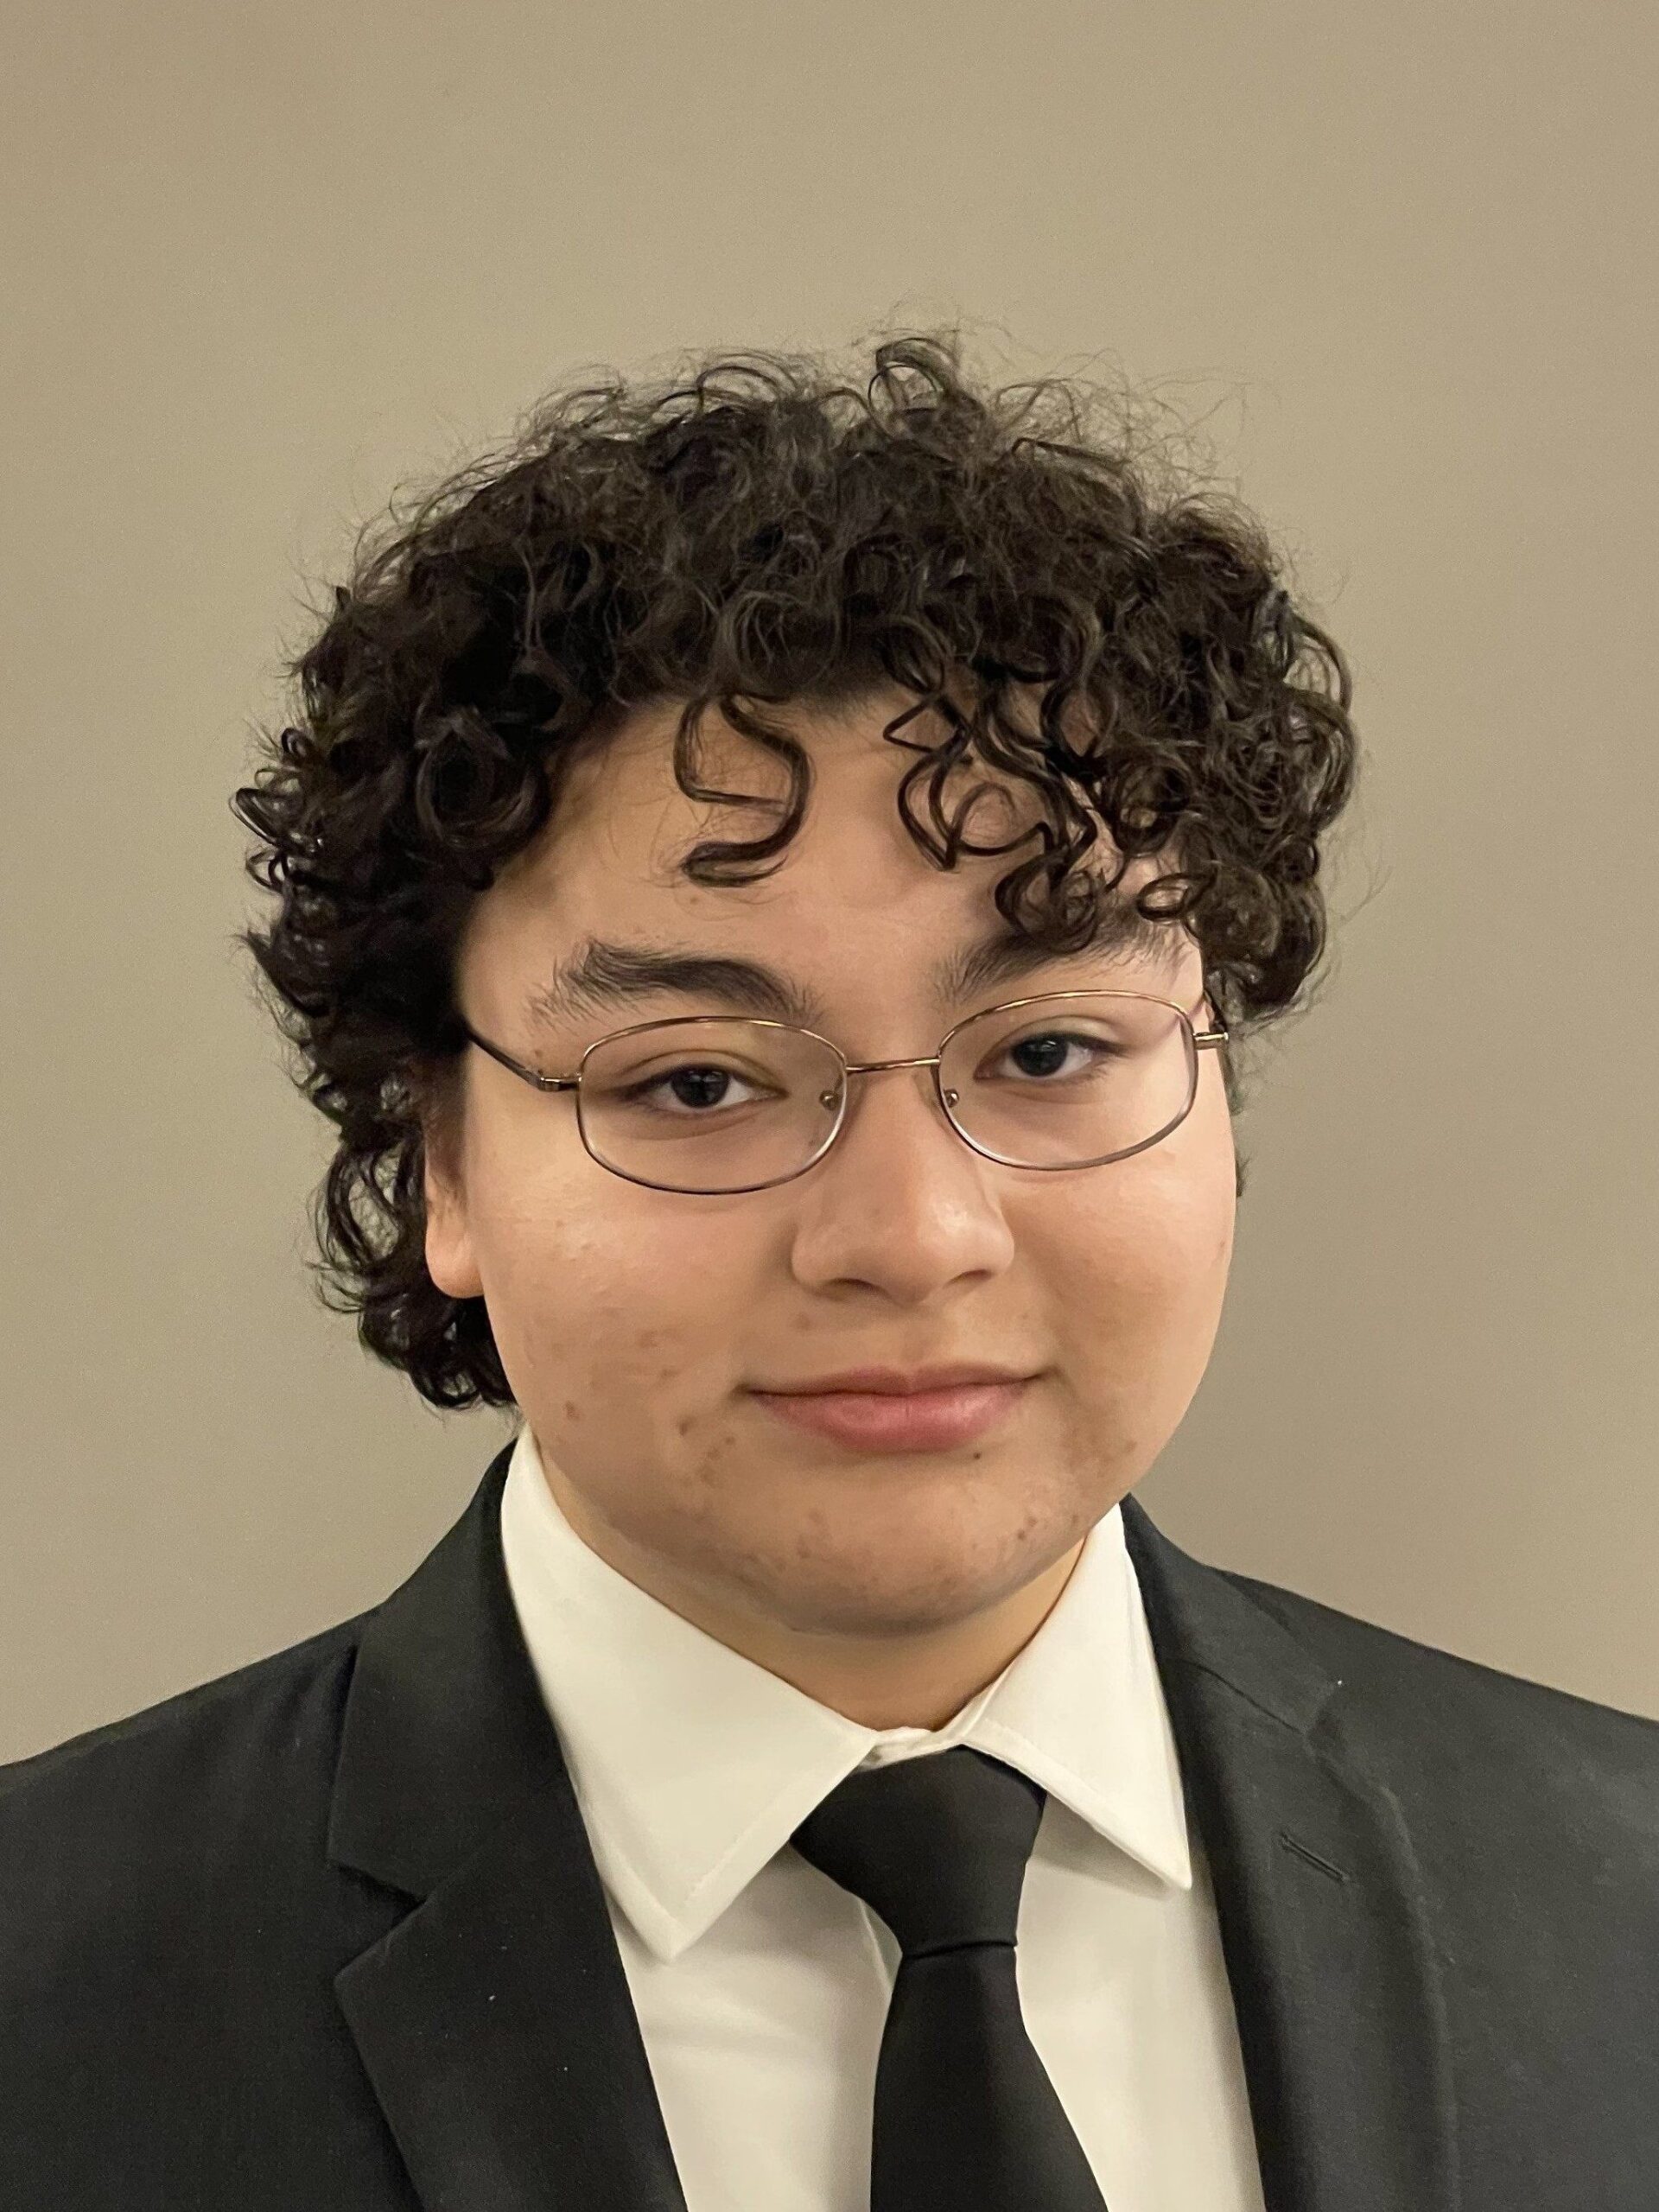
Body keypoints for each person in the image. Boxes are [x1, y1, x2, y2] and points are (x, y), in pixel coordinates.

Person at [2, 332, 1653, 2211]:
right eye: (697, 1082)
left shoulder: (1619, 1900)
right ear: (439, 1152)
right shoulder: (50, 2005)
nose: (913, 1237)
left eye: (1049, 1051)